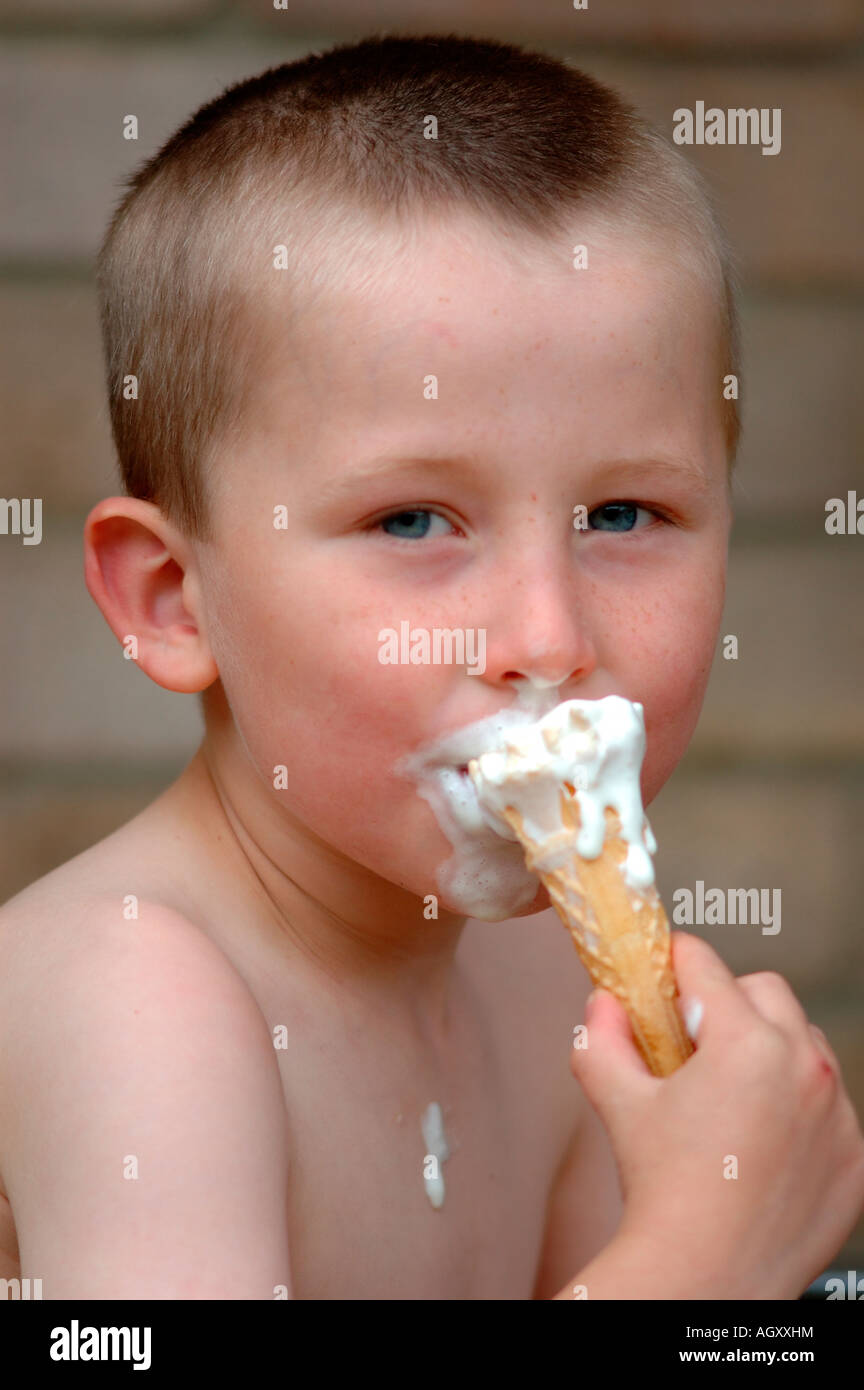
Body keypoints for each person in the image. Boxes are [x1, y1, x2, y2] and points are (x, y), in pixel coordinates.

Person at [0, 34, 861, 1299]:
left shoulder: (555, 982)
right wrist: (702, 1267)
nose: (545, 637)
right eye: (412, 522)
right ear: (176, 601)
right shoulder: (133, 993)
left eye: (623, 514)